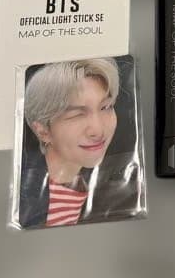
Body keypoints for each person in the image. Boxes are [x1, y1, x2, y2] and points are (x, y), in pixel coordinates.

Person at [17, 58, 121, 228]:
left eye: (106, 107)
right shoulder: (21, 198)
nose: (98, 130)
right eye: (77, 115)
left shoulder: (97, 188)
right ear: (43, 131)